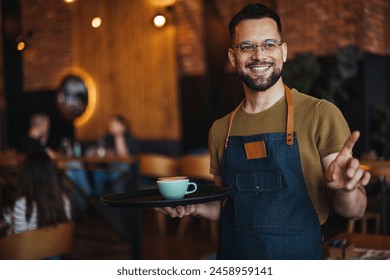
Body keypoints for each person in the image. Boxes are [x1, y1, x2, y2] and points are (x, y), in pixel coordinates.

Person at [157, 3, 370, 259]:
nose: (259, 55)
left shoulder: (319, 115)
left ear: (283, 51)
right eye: (247, 46)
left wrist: (347, 190)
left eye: (269, 44)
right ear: (232, 56)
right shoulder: (221, 129)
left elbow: (354, 210)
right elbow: (228, 208)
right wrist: (192, 207)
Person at [2, 151, 71, 235]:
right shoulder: (64, 201)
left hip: (28, 247)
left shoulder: (22, 204)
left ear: (26, 175)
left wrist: (9, 229)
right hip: (58, 247)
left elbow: (19, 241)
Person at [92, 114, 139, 196]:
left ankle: (118, 198)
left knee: (118, 171)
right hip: (108, 167)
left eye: (115, 125)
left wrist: (119, 137)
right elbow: (99, 150)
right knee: (97, 171)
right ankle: (98, 199)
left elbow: (124, 157)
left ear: (123, 126)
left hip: (126, 170)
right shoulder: (108, 137)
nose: (112, 127)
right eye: (111, 125)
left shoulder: (129, 138)